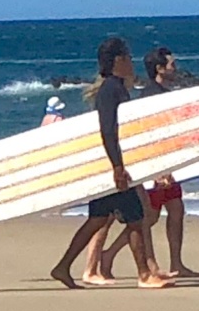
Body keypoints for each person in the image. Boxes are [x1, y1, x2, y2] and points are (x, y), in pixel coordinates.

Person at [50, 37, 169, 290]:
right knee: (135, 219)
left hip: (110, 166)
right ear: (118, 60)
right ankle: (145, 275)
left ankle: (63, 267)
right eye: (127, 57)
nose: (131, 62)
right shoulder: (110, 90)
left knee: (98, 219)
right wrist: (117, 166)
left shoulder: (116, 88)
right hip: (112, 168)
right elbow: (108, 130)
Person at [97, 46, 199, 279]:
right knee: (148, 217)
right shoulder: (151, 96)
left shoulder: (163, 92)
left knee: (176, 209)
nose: (176, 68)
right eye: (172, 64)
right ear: (159, 68)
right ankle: (111, 255)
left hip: (166, 164)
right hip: (154, 167)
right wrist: (156, 169)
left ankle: (176, 264)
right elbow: (148, 136)